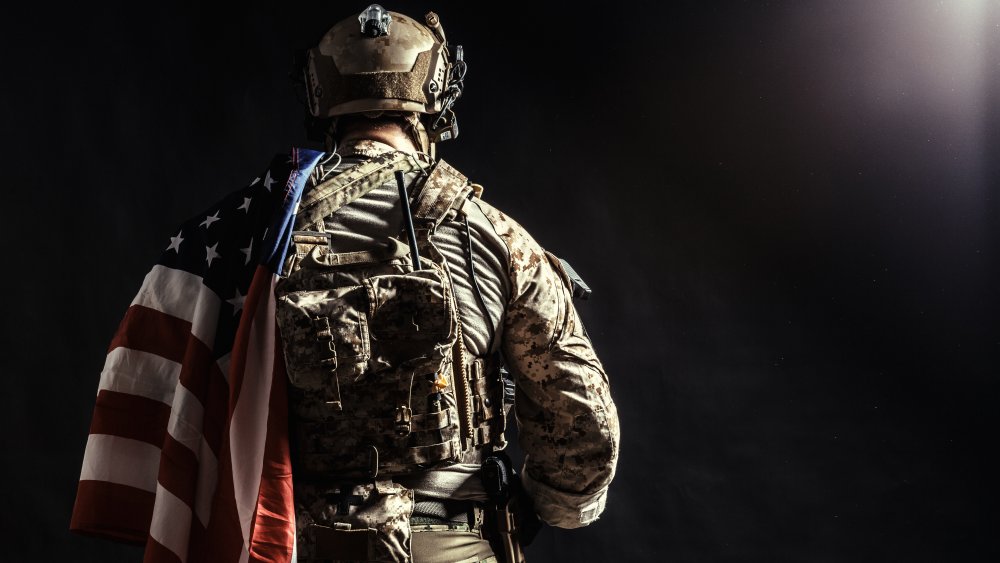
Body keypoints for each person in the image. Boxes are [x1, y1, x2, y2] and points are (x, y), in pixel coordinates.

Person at [71, 5, 618, 563]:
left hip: (283, 544)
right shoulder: (495, 237)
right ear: (433, 93)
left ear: (320, 95)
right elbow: (583, 424)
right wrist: (547, 507)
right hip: (451, 543)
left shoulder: (253, 229)